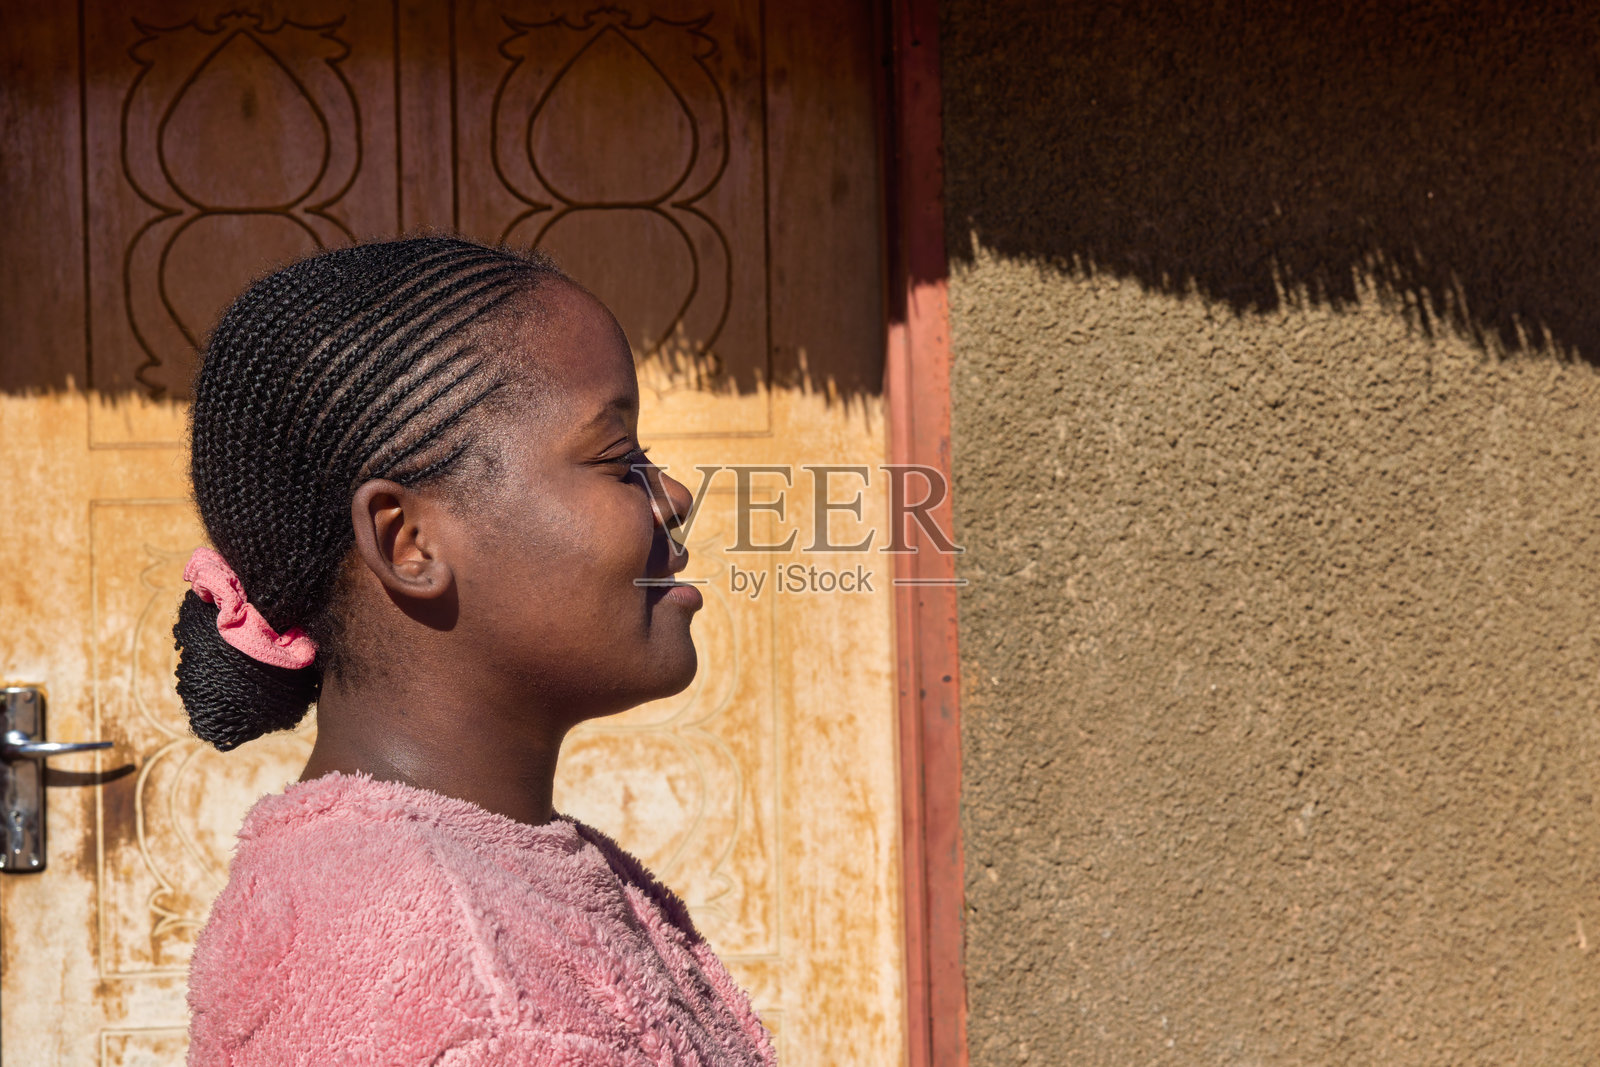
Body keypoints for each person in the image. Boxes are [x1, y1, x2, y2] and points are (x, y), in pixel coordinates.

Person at [174, 236, 774, 1066]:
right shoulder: (447, 973)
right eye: (617, 460)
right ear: (409, 541)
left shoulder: (502, 884)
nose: (671, 495)